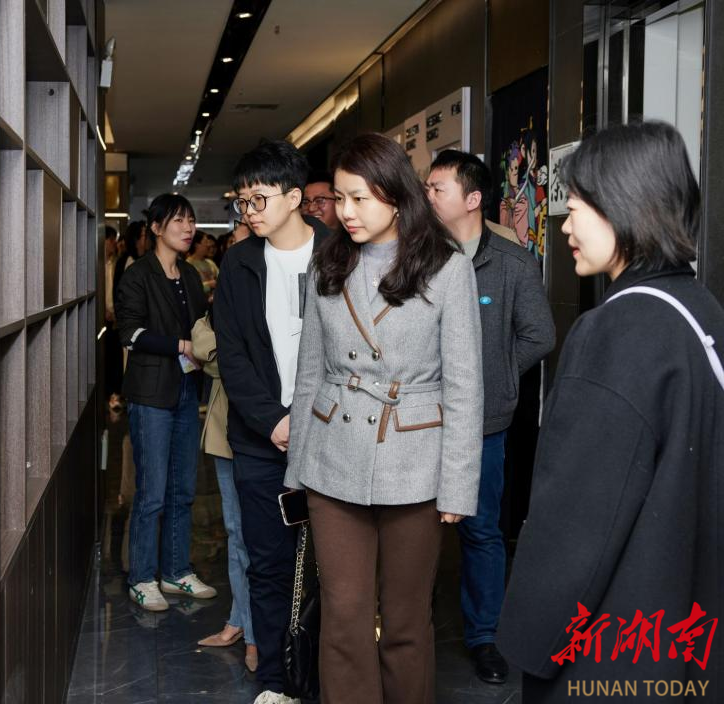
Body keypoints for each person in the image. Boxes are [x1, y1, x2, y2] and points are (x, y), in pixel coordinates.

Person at [497, 122, 723, 701]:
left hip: (613, 647)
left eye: (575, 209)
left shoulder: (617, 331)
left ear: (623, 207)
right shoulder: (700, 310)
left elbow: (576, 518)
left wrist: (530, 639)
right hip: (685, 633)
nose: (564, 227)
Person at [286, 133, 483, 704]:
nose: (345, 212)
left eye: (359, 198)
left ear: (395, 197)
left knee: (405, 620)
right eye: (339, 198)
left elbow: (464, 385)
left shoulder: (447, 268)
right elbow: (309, 372)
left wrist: (457, 486)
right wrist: (297, 469)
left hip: (415, 461)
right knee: (343, 616)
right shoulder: (328, 261)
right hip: (333, 458)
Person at [425, 149, 555, 684]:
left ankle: (485, 636)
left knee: (481, 532)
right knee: (414, 535)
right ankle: (411, 633)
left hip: (482, 427)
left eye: (438, 188)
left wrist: (493, 377)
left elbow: (540, 335)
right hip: (417, 422)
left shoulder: (512, 263)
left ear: (473, 198)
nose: (427, 196)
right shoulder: (418, 256)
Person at [215, 139, 333, 704]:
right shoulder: (238, 264)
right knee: (267, 565)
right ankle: (275, 680)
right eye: (242, 201)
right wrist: (273, 422)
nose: (249, 212)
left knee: (337, 569)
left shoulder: (341, 253)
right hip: (263, 441)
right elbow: (232, 357)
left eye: (258, 199)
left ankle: (328, 679)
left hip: (334, 438)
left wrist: (310, 422)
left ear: (294, 197)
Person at [115, 194, 217, 611]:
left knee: (183, 489)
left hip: (186, 390)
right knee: (152, 493)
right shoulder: (138, 275)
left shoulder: (190, 275)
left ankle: (176, 571)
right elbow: (130, 333)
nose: (188, 228)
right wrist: (180, 344)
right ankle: (142, 577)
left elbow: (201, 326)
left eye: (191, 220)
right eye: (178, 221)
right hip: (151, 394)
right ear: (156, 228)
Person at [192, 308, 259, 674]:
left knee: (264, 537)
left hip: (270, 432)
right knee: (236, 532)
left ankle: (259, 630)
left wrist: (229, 354)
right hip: (225, 433)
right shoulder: (228, 292)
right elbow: (203, 343)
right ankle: (241, 622)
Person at [104, 226, 124, 409]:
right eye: (111, 240)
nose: (114, 244)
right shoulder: (96, 264)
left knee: (115, 358)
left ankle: (114, 394)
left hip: (115, 319)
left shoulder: (117, 263)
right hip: (100, 318)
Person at [187, 231, 220, 299]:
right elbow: (190, 288)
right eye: (206, 242)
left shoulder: (210, 263)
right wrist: (209, 285)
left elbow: (220, 279)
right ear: (197, 245)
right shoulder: (188, 264)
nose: (208, 245)